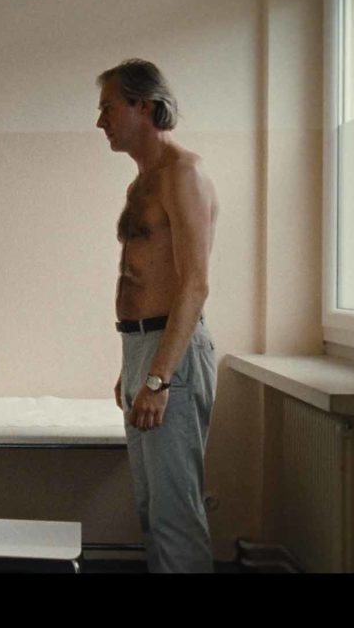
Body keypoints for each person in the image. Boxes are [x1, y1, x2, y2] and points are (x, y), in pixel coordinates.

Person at [97, 59, 219, 573]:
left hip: (172, 355)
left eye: (108, 108)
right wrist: (134, 366)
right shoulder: (141, 184)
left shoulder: (183, 174)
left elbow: (195, 284)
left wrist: (158, 376)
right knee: (152, 510)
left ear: (142, 106)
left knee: (175, 517)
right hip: (144, 347)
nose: (100, 121)